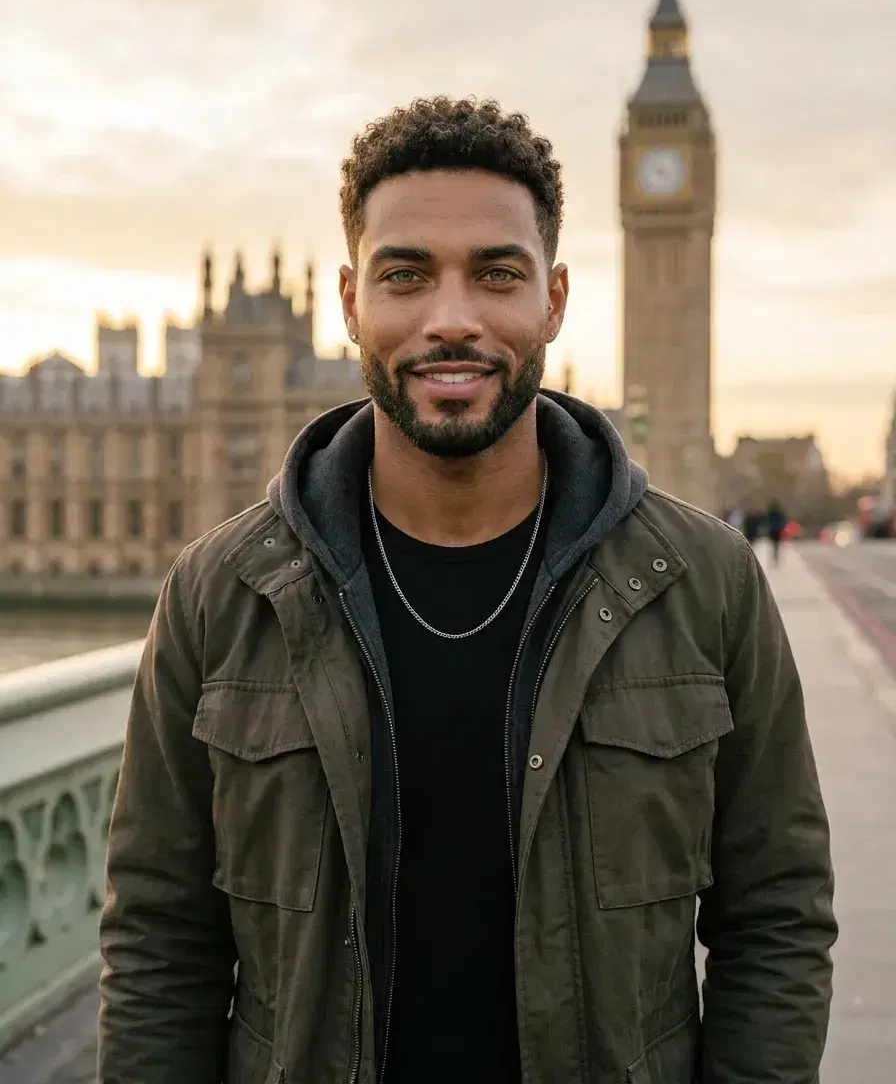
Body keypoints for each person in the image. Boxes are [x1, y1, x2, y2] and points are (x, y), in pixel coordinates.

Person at [98, 97, 836, 1084]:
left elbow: (778, 917)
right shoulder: (217, 596)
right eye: (406, 275)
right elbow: (158, 942)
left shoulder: (704, 585)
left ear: (554, 300)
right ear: (350, 302)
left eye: (497, 274)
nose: (452, 319)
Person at [767, 499, 787, 566]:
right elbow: (783, 521)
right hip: (778, 530)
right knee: (776, 544)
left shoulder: (770, 513)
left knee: (773, 544)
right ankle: (776, 556)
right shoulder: (780, 513)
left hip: (772, 530)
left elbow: (767, 521)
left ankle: (774, 555)